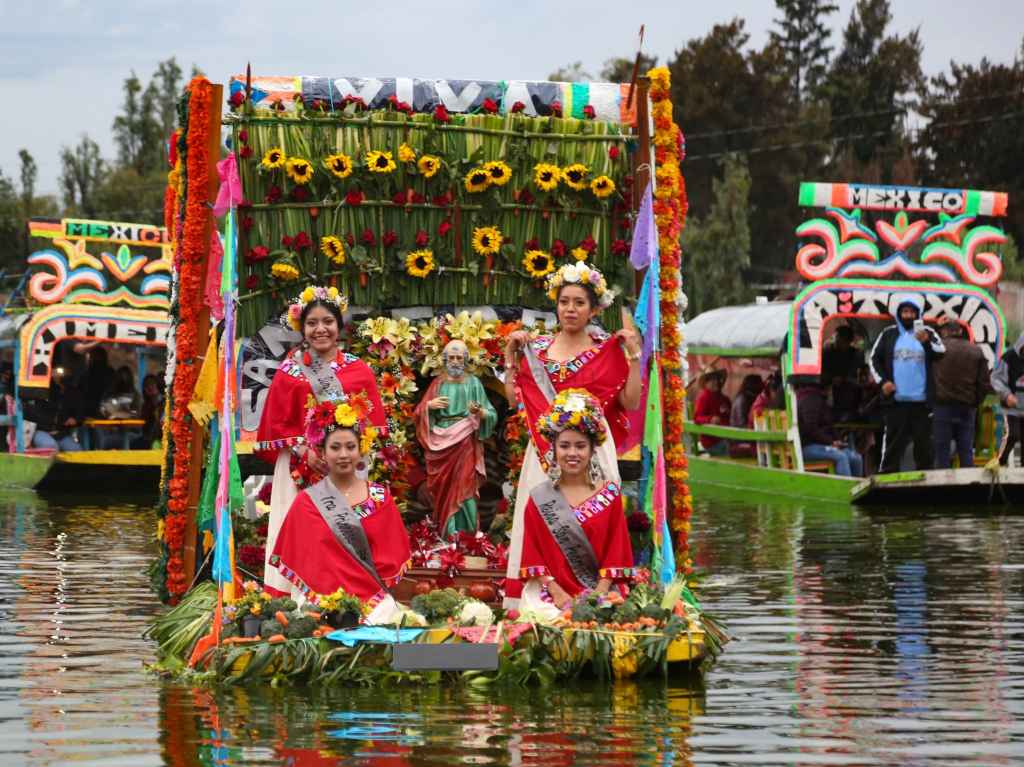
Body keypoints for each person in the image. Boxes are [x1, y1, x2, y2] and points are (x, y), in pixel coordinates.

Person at [502, 263, 641, 607]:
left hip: (594, 454)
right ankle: (540, 601)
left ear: (594, 309)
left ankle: (598, 598)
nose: (570, 309)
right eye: (565, 301)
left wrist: (635, 356)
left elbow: (630, 401)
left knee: (598, 520)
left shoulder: (606, 350)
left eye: (579, 302)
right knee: (542, 520)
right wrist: (510, 359)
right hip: (546, 452)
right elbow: (514, 401)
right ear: (556, 305)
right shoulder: (537, 350)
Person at [256, 286, 387, 596]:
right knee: (300, 532)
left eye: (327, 321)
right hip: (299, 469)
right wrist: (304, 449)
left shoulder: (360, 371)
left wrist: (344, 452)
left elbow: (371, 427)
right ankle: (291, 599)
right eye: (312, 322)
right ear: (302, 328)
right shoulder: (289, 371)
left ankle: (347, 597)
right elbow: (275, 425)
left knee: (345, 530)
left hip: (346, 468)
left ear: (339, 325)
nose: (320, 329)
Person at [268, 395, 410, 620]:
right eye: (335, 447)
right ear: (322, 452)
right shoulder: (306, 502)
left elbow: (390, 556)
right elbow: (302, 559)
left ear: (361, 449)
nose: (343, 454)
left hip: (373, 603)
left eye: (350, 446)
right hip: (316, 604)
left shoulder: (381, 498)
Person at [519, 389, 634, 610]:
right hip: (549, 595)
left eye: (580, 446)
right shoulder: (539, 498)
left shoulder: (609, 496)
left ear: (592, 451)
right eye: (564, 446)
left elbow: (616, 550)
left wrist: (598, 595)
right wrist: (557, 593)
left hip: (601, 593)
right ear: (553, 449)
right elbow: (533, 554)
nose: (572, 453)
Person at [415, 339, 497, 536]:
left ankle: (467, 535)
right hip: (440, 443)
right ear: (445, 359)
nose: (455, 361)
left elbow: (491, 414)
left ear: (465, 360)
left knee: (465, 486)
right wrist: (429, 407)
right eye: (451, 357)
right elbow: (418, 413)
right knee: (442, 490)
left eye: (459, 358)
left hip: (465, 440)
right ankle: (445, 534)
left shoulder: (474, 383)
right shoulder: (437, 383)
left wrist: (479, 412)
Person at [869, 296, 945, 472]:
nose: (908, 315)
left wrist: (926, 342)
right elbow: (874, 359)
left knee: (924, 445)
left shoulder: (928, 332)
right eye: (905, 312)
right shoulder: (888, 334)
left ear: (918, 314)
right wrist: (883, 382)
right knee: (893, 443)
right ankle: (887, 479)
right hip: (896, 401)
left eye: (912, 312)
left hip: (922, 402)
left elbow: (941, 353)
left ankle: (925, 481)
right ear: (899, 314)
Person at [931, 319, 989, 469]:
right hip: (967, 407)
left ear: (944, 332)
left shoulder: (937, 349)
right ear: (960, 332)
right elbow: (984, 384)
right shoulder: (976, 350)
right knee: (965, 451)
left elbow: (929, 377)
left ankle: (942, 487)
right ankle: (968, 489)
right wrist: (975, 402)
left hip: (942, 406)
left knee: (942, 452)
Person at [795, 378, 863, 477]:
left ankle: (858, 489)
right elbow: (811, 428)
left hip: (823, 445)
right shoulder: (810, 400)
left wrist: (837, 440)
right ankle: (844, 490)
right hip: (807, 447)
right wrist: (831, 442)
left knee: (856, 458)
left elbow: (830, 426)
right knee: (841, 457)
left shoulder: (821, 400)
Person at [26, 368, 85, 452]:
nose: (58, 377)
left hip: (61, 434)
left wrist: (75, 419)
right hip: (40, 431)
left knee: (77, 450)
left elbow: (80, 413)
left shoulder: (72, 394)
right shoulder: (43, 392)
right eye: (55, 375)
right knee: (51, 447)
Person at [992, 331, 1024, 467]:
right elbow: (996, 378)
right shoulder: (1009, 357)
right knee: (1012, 434)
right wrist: (1006, 394)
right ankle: (999, 461)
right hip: (1011, 408)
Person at [693, 369, 731, 457]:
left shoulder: (725, 399)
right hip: (712, 442)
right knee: (732, 450)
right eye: (712, 380)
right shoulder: (704, 398)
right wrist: (710, 419)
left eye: (717, 379)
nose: (716, 382)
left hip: (726, 437)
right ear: (706, 383)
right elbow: (697, 418)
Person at [132, 373, 165, 449]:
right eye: (146, 385)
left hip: (159, 438)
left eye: (152, 384)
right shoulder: (146, 405)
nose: (150, 387)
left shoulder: (164, 402)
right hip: (149, 438)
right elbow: (142, 423)